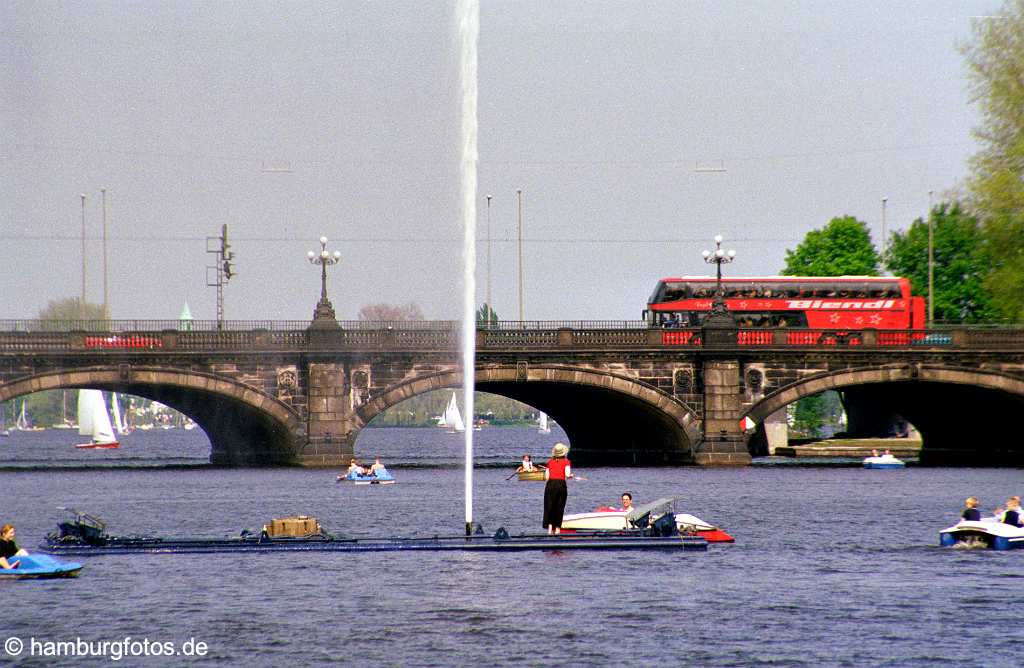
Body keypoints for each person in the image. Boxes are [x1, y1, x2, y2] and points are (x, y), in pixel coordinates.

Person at [543, 442, 574, 535]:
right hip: (561, 485)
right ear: (563, 453)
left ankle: (549, 530)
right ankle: (557, 530)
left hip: (550, 485)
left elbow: (546, 477)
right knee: (559, 507)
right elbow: (567, 475)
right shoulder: (566, 462)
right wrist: (571, 476)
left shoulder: (549, 462)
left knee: (549, 506)